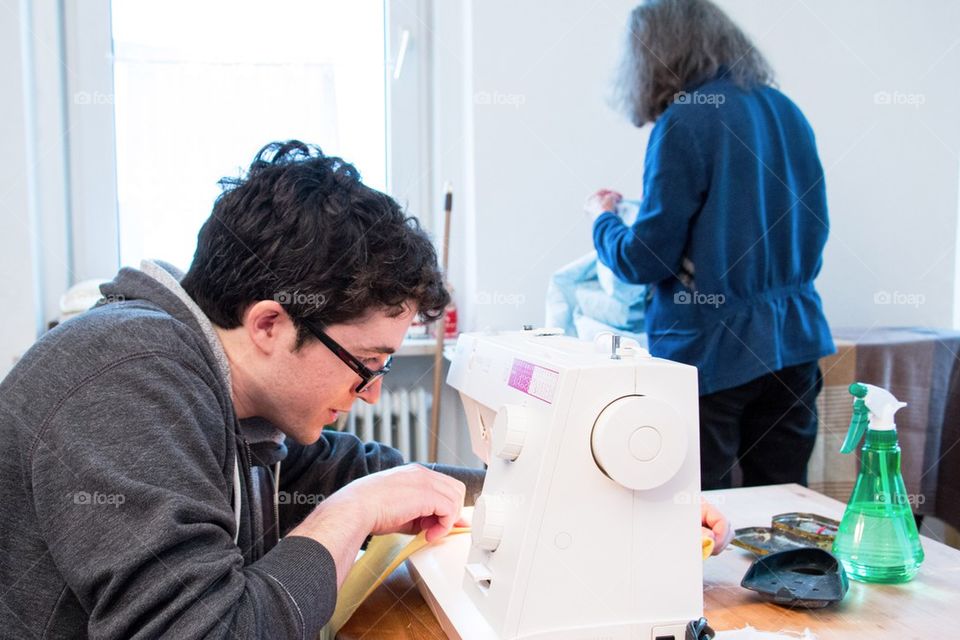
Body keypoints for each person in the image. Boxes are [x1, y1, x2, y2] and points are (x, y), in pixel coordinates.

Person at [0, 141, 731, 638]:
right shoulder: (126, 380)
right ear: (269, 324)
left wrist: (588, 496)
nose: (374, 391)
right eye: (366, 363)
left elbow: (353, 472)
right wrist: (350, 517)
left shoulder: (218, 385)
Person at [588, 0, 835, 490]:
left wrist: (604, 220)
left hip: (713, 355)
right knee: (782, 508)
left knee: (699, 519)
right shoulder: (785, 110)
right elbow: (813, 227)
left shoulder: (685, 121)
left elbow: (645, 258)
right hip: (796, 343)